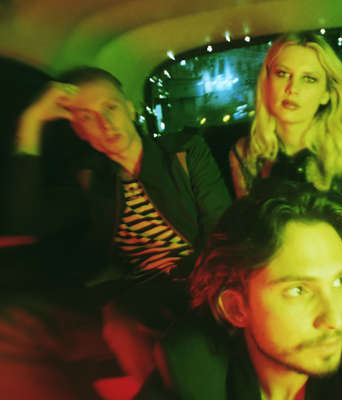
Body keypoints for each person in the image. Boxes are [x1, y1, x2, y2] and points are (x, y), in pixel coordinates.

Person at [1, 66, 231, 396]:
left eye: (110, 107)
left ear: (130, 108)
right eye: (88, 117)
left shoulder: (182, 151)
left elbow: (220, 230)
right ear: (80, 132)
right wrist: (31, 120)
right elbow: (22, 219)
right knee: (104, 323)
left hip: (197, 277)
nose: (105, 123)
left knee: (154, 330)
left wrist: (200, 289)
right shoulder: (90, 178)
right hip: (133, 292)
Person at [137, 179, 342, 400]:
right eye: (298, 290)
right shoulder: (193, 370)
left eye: (338, 281)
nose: (334, 319)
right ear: (236, 308)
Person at [229, 32, 342, 219]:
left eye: (309, 78)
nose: (293, 88)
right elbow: (245, 229)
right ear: (267, 81)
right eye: (283, 74)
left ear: (326, 94)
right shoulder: (245, 152)